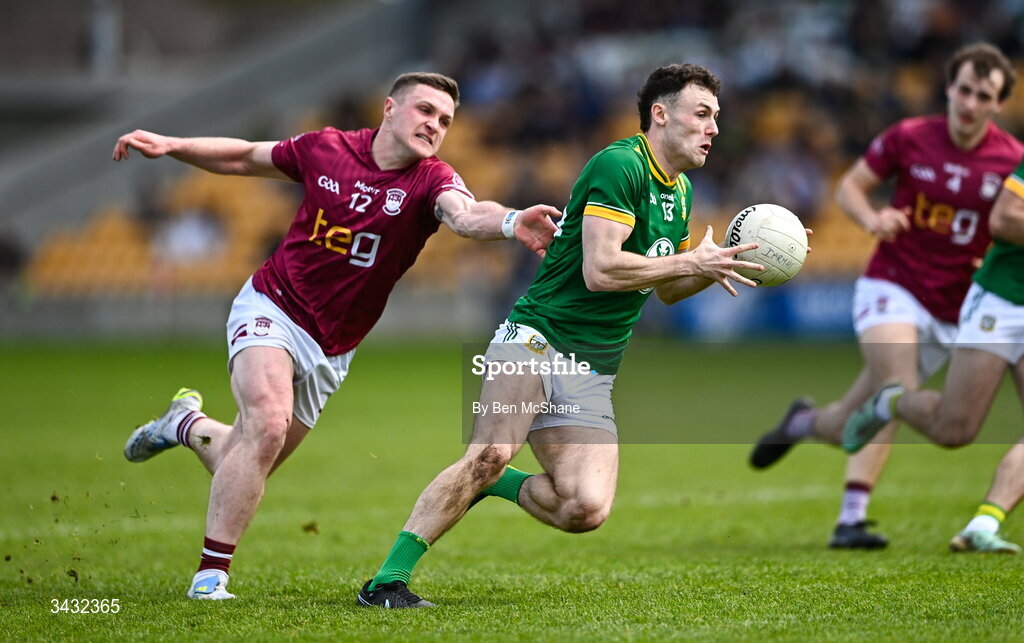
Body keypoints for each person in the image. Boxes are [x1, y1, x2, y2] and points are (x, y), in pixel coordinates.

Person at [112, 72, 562, 600]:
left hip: (333, 347)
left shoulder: (432, 179)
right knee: (268, 426)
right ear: (389, 109)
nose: (434, 125)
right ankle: (210, 578)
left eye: (444, 120)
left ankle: (185, 424)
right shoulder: (326, 149)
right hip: (272, 306)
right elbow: (243, 157)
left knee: (242, 451)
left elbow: (465, 215)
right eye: (424, 111)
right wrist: (172, 146)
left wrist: (510, 221)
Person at [356, 63, 767, 609]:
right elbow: (602, 270)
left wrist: (714, 268)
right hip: (536, 335)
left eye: (717, 116)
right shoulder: (621, 165)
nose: (714, 127)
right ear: (661, 115)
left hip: (592, 366)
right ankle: (386, 583)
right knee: (490, 452)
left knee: (584, 509)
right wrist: (691, 259)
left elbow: (665, 288)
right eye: (703, 114)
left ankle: (493, 483)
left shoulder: (682, 191)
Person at [748, 43, 1024, 549]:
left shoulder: (1012, 161)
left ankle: (805, 422)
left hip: (956, 307)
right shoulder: (910, 136)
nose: (968, 103)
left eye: (982, 95)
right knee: (897, 386)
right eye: (963, 89)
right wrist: (873, 218)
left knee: (848, 422)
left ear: (998, 104)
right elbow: (850, 188)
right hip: (893, 284)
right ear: (948, 88)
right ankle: (851, 519)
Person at [843, 156, 1024, 553]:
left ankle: (983, 524)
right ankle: (892, 401)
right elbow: (1005, 220)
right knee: (954, 430)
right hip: (1005, 298)